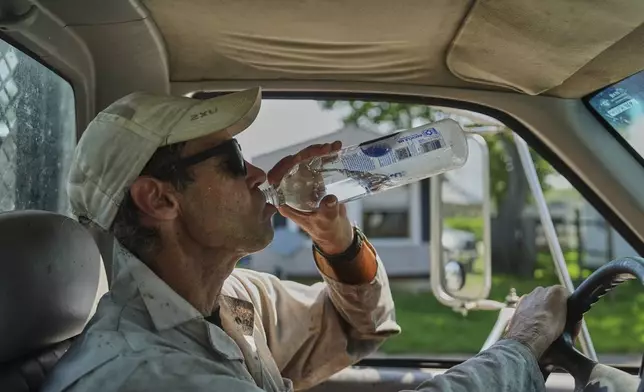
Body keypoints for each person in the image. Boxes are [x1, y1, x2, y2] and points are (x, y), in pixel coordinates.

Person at [43, 87, 569, 392]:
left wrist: (336, 241)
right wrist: (519, 347)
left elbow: (358, 330)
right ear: (159, 200)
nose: (257, 174)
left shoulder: (229, 300)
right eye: (230, 162)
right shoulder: (149, 372)